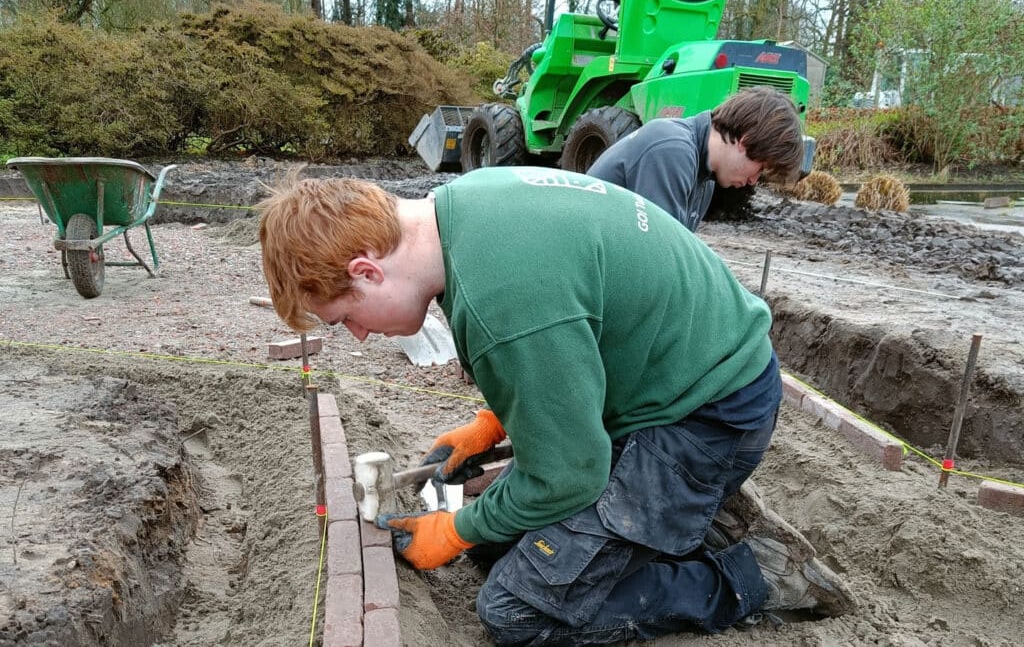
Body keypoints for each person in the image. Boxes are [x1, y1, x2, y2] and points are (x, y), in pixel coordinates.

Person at [258, 166, 855, 645]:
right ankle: (679, 516)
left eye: (346, 318)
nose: (360, 335)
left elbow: (568, 475)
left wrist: (456, 529)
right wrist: (494, 422)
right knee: (497, 543)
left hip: (709, 415)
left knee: (516, 612)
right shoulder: (461, 206)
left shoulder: (503, 299)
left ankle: (751, 576)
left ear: (366, 271)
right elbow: (573, 337)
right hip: (666, 381)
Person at [586, 85, 806, 232]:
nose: (753, 181)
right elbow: (658, 259)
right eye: (760, 168)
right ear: (745, 141)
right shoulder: (672, 150)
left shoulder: (704, 178)